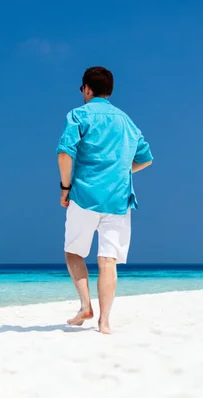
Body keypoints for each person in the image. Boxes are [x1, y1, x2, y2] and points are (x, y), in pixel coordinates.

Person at [56, 66, 154, 334]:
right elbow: (145, 159)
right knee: (107, 260)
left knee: (74, 252)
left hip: (84, 194)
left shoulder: (78, 115)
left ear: (87, 88)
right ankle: (105, 322)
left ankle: (86, 305)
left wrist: (65, 187)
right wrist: (119, 171)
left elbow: (65, 154)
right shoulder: (127, 122)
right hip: (119, 199)